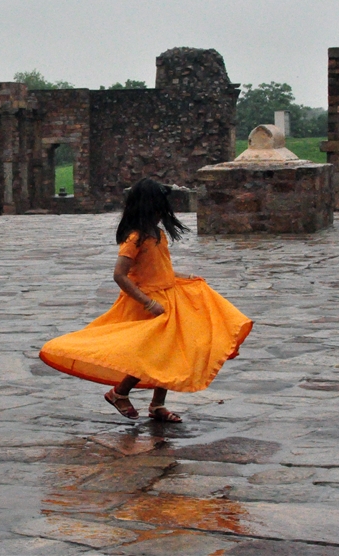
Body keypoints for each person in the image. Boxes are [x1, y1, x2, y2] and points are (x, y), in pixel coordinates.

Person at [40, 178, 252, 422]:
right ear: (147, 207)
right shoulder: (134, 238)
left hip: (169, 297)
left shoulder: (158, 234)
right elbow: (119, 275)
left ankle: (157, 405)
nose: (163, 212)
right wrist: (148, 303)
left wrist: (187, 277)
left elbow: (161, 269)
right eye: (159, 206)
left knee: (168, 352)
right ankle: (119, 392)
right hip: (148, 303)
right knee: (151, 354)